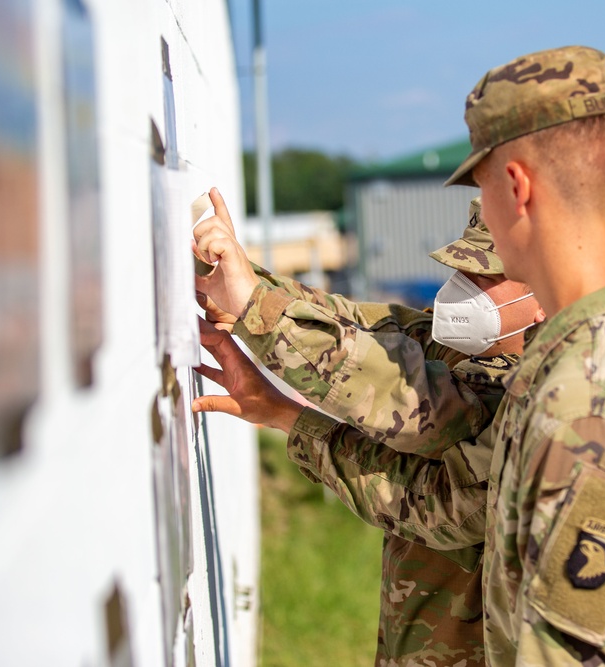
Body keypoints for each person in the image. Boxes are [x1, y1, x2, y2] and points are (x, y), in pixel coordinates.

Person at [196, 45, 605, 666]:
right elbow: (400, 350)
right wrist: (264, 317)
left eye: (481, 186)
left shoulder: (582, 396)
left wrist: (260, 307)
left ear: (515, 186)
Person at [194, 195, 543, 666]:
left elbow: (402, 392)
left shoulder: (533, 395)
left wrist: (257, 308)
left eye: (487, 277)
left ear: (545, 292)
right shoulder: (461, 348)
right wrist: (245, 280)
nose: (464, 287)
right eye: (463, 269)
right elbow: (358, 325)